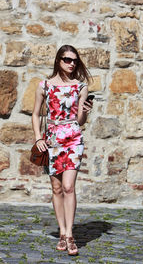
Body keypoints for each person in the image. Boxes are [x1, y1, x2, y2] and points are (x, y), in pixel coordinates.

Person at [32, 45, 93, 256]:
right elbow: (35, 114)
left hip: (74, 138)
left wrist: (85, 112)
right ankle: (62, 232)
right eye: (67, 59)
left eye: (74, 60)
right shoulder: (45, 85)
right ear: (59, 60)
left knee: (68, 186)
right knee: (56, 189)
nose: (71, 63)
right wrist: (38, 137)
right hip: (52, 140)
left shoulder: (80, 86)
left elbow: (80, 121)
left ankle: (70, 235)